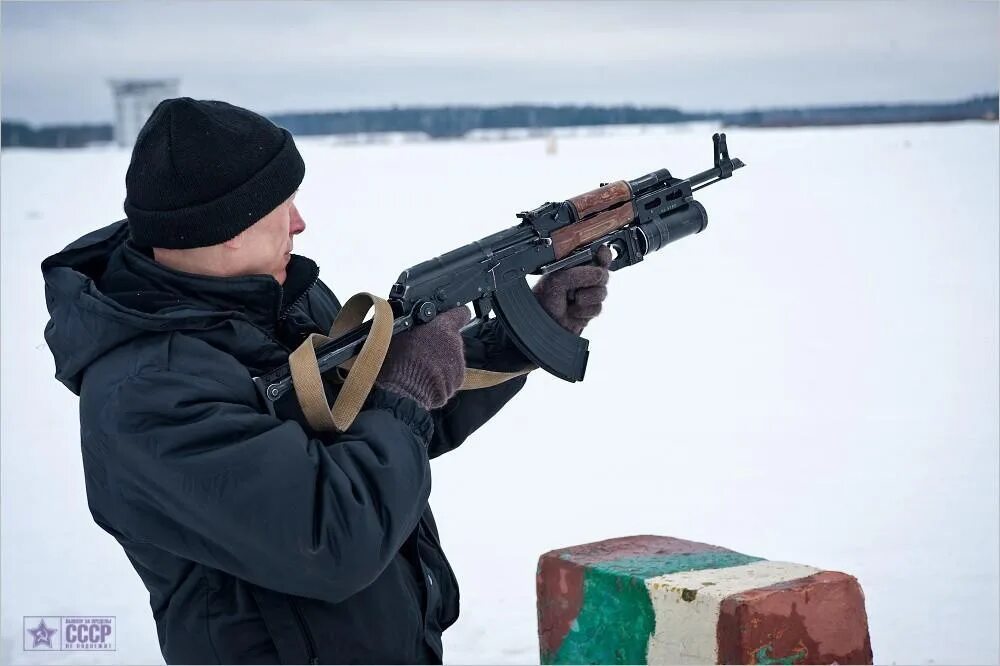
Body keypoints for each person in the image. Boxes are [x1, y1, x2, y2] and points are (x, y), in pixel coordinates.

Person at [41, 98, 611, 665]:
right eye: (280, 206)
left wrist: (523, 332)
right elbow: (335, 536)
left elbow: (385, 426)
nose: (299, 222)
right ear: (227, 227)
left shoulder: (282, 298)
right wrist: (406, 390)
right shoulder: (146, 396)